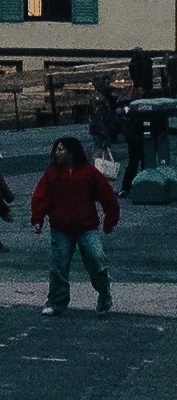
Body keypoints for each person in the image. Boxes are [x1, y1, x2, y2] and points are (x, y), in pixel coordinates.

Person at [31, 134, 119, 315]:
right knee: (59, 266)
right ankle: (56, 302)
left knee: (97, 260)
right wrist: (38, 219)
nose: (57, 153)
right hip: (60, 228)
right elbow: (41, 197)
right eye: (56, 149)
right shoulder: (51, 174)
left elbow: (107, 196)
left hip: (87, 227)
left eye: (61, 149)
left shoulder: (89, 172)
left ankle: (104, 295)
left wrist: (110, 220)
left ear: (71, 153)